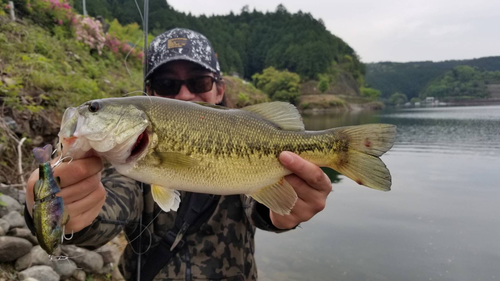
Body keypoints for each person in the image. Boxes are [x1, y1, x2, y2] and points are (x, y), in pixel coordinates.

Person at [24, 28, 333, 280]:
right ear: (150, 93)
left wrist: (286, 212)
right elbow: (101, 219)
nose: (185, 94)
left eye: (199, 81)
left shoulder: (249, 132)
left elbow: (262, 209)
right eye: (167, 84)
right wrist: (55, 212)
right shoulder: (125, 169)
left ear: (220, 89)